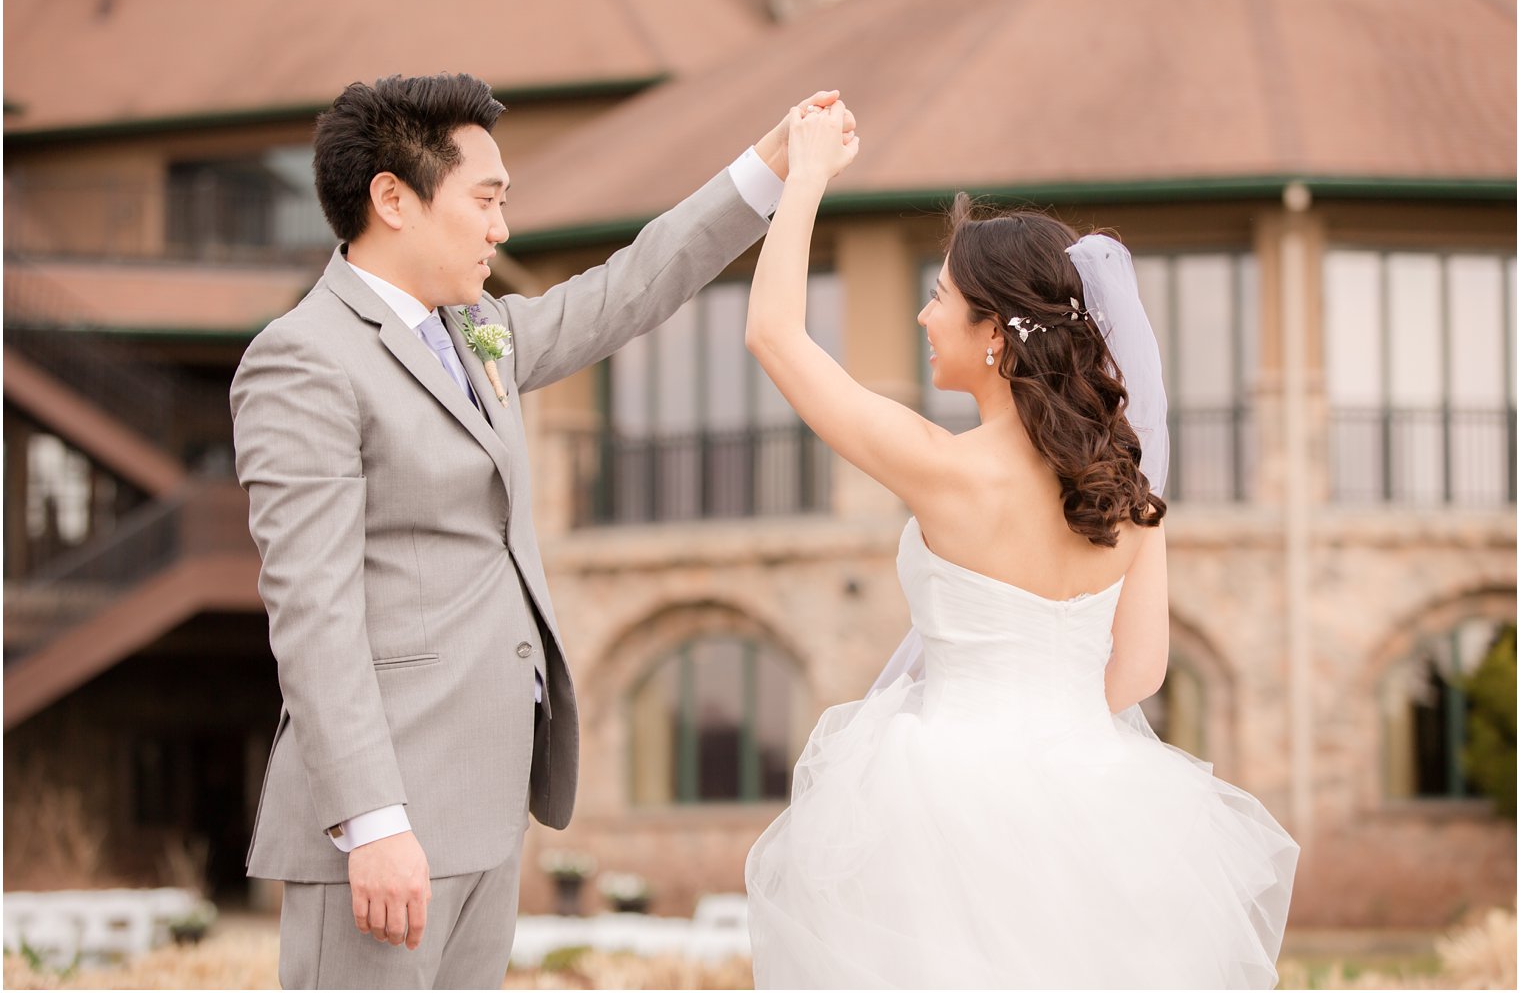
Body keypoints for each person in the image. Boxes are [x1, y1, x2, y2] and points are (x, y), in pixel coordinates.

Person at [230, 73, 852, 989]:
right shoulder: (303, 359)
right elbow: (312, 611)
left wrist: (769, 167)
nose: (501, 229)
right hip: (385, 822)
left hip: (486, 808)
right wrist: (372, 822)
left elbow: (631, 287)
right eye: (485, 200)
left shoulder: (479, 330)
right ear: (393, 199)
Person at [742, 102, 1298, 989]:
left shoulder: (943, 470)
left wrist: (803, 175)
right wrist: (1059, 728)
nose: (925, 318)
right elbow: (1139, 673)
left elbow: (773, 335)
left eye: (937, 299)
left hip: (944, 802)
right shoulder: (1126, 489)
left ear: (994, 334)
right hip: (1107, 801)